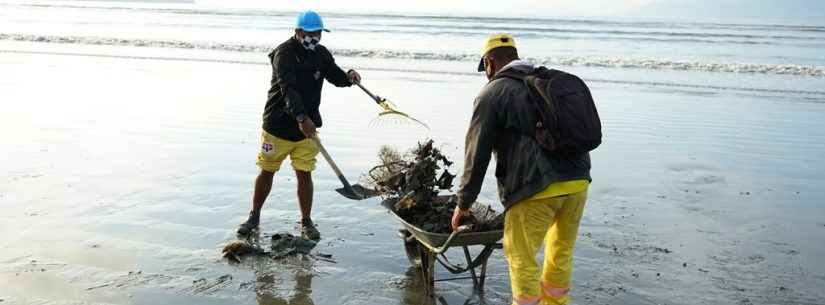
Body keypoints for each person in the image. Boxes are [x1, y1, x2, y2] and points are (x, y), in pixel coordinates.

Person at [451, 33, 593, 305]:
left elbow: (476, 154)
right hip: (577, 181)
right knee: (560, 252)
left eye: (485, 69)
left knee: (522, 259)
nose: (486, 74)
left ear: (490, 62)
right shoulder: (547, 80)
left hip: (534, 188)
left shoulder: (492, 93)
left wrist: (464, 203)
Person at [237, 10, 362, 240]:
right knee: (267, 171)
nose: (314, 38)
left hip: (308, 128)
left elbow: (335, 75)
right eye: (309, 33)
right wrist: (301, 117)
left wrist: (349, 77)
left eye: (318, 34)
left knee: (304, 174)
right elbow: (288, 89)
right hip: (278, 126)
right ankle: (254, 217)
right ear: (297, 32)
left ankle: (306, 221)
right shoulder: (283, 54)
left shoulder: (321, 54)